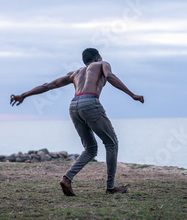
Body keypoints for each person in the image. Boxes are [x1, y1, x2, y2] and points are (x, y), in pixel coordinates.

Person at [10, 48, 144, 196]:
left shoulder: (74, 73)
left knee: (90, 149)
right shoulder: (102, 64)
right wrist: (132, 94)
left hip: (74, 106)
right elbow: (110, 77)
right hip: (90, 102)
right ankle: (110, 187)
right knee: (111, 143)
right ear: (97, 57)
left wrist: (23, 95)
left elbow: (48, 85)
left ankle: (67, 178)